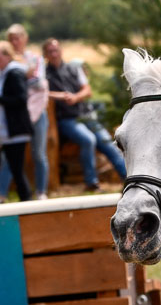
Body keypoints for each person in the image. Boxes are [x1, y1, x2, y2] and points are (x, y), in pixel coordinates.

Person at [43, 38, 126, 191]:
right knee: (88, 140)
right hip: (66, 119)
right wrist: (60, 96)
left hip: (85, 115)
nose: (54, 54)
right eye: (50, 51)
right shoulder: (44, 73)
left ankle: (129, 179)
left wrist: (75, 97)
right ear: (45, 55)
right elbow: (41, 92)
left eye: (56, 50)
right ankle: (91, 183)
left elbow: (87, 90)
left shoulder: (74, 68)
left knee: (107, 142)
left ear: (61, 51)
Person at [0, 24, 49, 201]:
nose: (15, 41)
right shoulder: (9, 63)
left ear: (25, 38)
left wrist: (20, 77)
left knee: (39, 154)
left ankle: (41, 191)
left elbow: (39, 81)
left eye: (17, 37)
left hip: (37, 111)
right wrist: (25, 74)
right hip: (17, 116)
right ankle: (2, 193)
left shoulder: (33, 58)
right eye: (11, 38)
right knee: (10, 157)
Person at [0, 41, 33, 202]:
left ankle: (26, 200)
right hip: (8, 131)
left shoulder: (14, 73)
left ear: (7, 56)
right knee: (14, 168)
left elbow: (21, 98)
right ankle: (24, 198)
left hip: (16, 130)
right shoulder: (4, 73)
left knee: (17, 168)